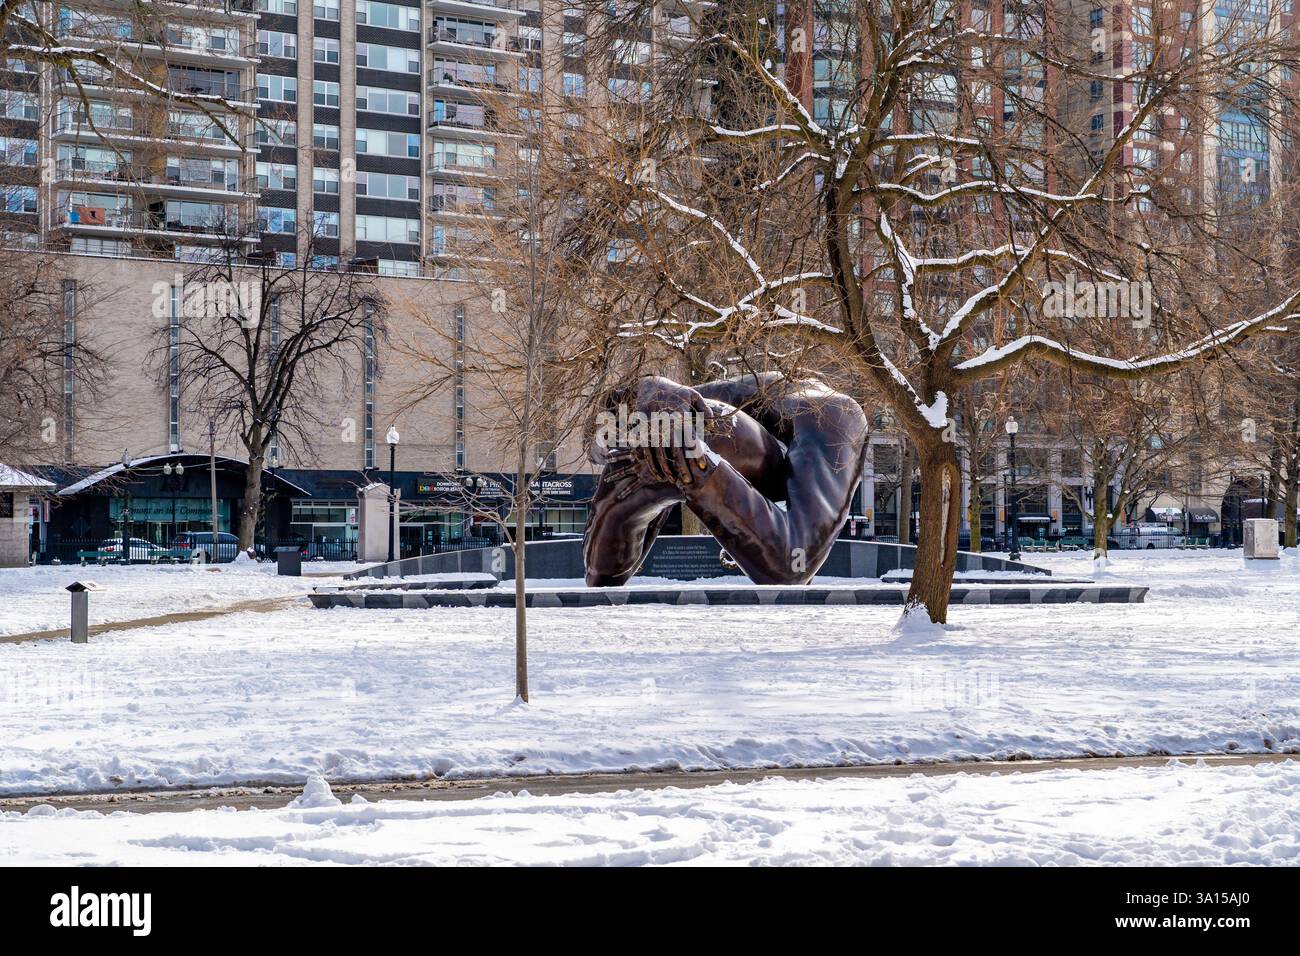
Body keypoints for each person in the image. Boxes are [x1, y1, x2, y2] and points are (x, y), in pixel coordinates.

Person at [584, 373, 868, 586]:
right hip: (697, 430)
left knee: (698, 427)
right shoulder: (700, 403)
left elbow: (792, 565)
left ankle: (681, 457)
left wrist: (695, 465)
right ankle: (676, 457)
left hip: (815, 421)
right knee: (682, 425)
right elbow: (594, 441)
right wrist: (644, 387)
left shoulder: (832, 417)